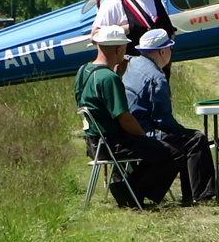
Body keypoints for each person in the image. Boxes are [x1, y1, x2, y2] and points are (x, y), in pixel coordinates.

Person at [74, 25, 184, 209]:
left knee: (160, 151)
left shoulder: (84, 70)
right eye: (125, 48)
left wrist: (119, 74)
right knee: (173, 153)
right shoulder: (109, 78)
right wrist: (144, 137)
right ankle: (130, 193)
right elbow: (124, 118)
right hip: (114, 144)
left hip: (94, 143)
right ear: (118, 49)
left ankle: (128, 189)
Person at [123, 29, 217, 205]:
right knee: (196, 139)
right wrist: (181, 131)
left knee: (187, 139)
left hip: (128, 128)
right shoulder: (156, 77)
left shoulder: (132, 63)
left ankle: (192, 195)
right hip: (144, 132)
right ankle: (200, 195)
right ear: (162, 51)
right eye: (170, 48)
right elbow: (162, 120)